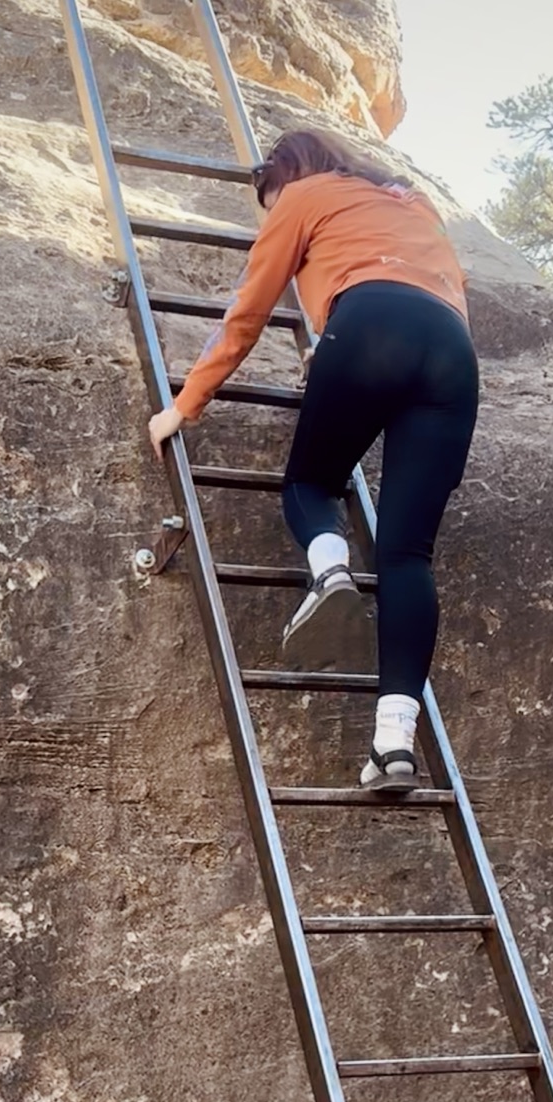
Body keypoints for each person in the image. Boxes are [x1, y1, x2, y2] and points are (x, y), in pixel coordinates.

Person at [147, 129, 479, 792]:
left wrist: (185, 404)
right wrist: (333, 341)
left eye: (269, 203)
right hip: (452, 353)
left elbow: (248, 310)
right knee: (408, 554)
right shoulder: (412, 202)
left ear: (286, 176)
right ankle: (394, 747)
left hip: (369, 324)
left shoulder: (303, 195)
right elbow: (421, 289)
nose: (273, 215)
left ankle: (329, 573)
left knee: (310, 482)